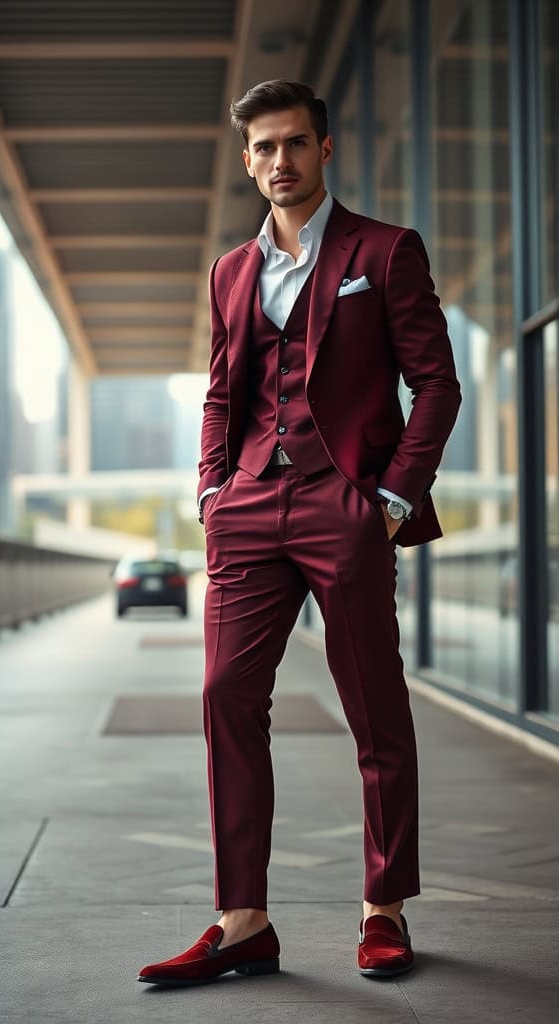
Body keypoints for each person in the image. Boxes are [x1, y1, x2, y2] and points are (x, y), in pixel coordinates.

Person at [138, 79, 461, 987]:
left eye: (294, 144)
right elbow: (219, 394)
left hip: (344, 502)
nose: (280, 161)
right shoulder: (229, 272)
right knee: (224, 696)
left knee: (374, 707)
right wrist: (211, 490)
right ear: (247, 162)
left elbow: (436, 385)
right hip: (247, 509)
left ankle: (383, 907)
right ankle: (242, 920)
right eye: (264, 149)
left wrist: (391, 499)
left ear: (325, 149)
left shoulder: (386, 252)